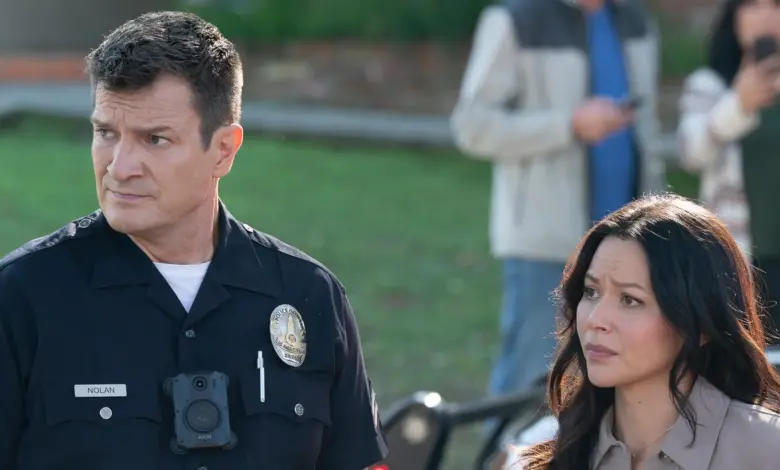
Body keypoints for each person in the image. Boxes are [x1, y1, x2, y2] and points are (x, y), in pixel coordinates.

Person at [0, 11, 388, 470]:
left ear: (223, 150)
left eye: (155, 139)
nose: (119, 167)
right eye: (106, 133)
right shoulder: (24, 297)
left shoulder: (309, 296)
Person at [450, 0, 665, 403]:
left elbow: (647, 131)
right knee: (530, 382)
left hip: (632, 243)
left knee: (615, 382)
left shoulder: (636, 22)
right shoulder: (515, 20)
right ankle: (505, 447)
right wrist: (568, 124)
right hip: (545, 242)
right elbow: (471, 126)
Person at [509, 194, 780, 470]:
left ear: (701, 323)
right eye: (591, 292)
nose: (595, 319)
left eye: (630, 300)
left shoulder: (766, 451)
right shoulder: (559, 456)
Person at [676, 0, 780, 338]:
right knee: (747, 356)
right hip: (739, 255)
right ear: (734, 15)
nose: (766, 16)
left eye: (776, 5)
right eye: (753, 5)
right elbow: (691, 154)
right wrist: (738, 105)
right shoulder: (709, 84)